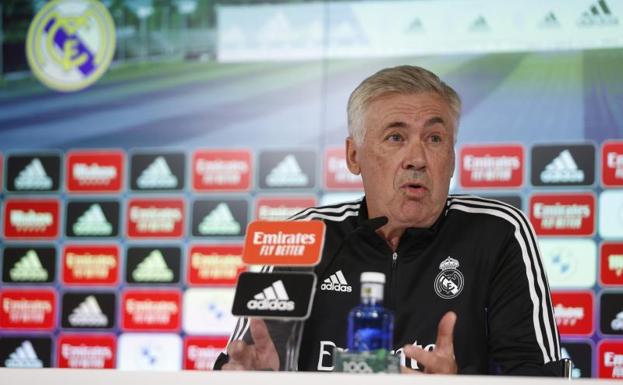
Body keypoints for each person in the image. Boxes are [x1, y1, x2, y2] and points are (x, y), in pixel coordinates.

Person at [214, 65, 563, 375]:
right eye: (396, 137)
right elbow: (248, 357)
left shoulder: (499, 233)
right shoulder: (302, 236)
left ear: (452, 157)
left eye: (435, 138)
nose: (417, 159)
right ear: (354, 156)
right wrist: (251, 376)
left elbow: (537, 377)